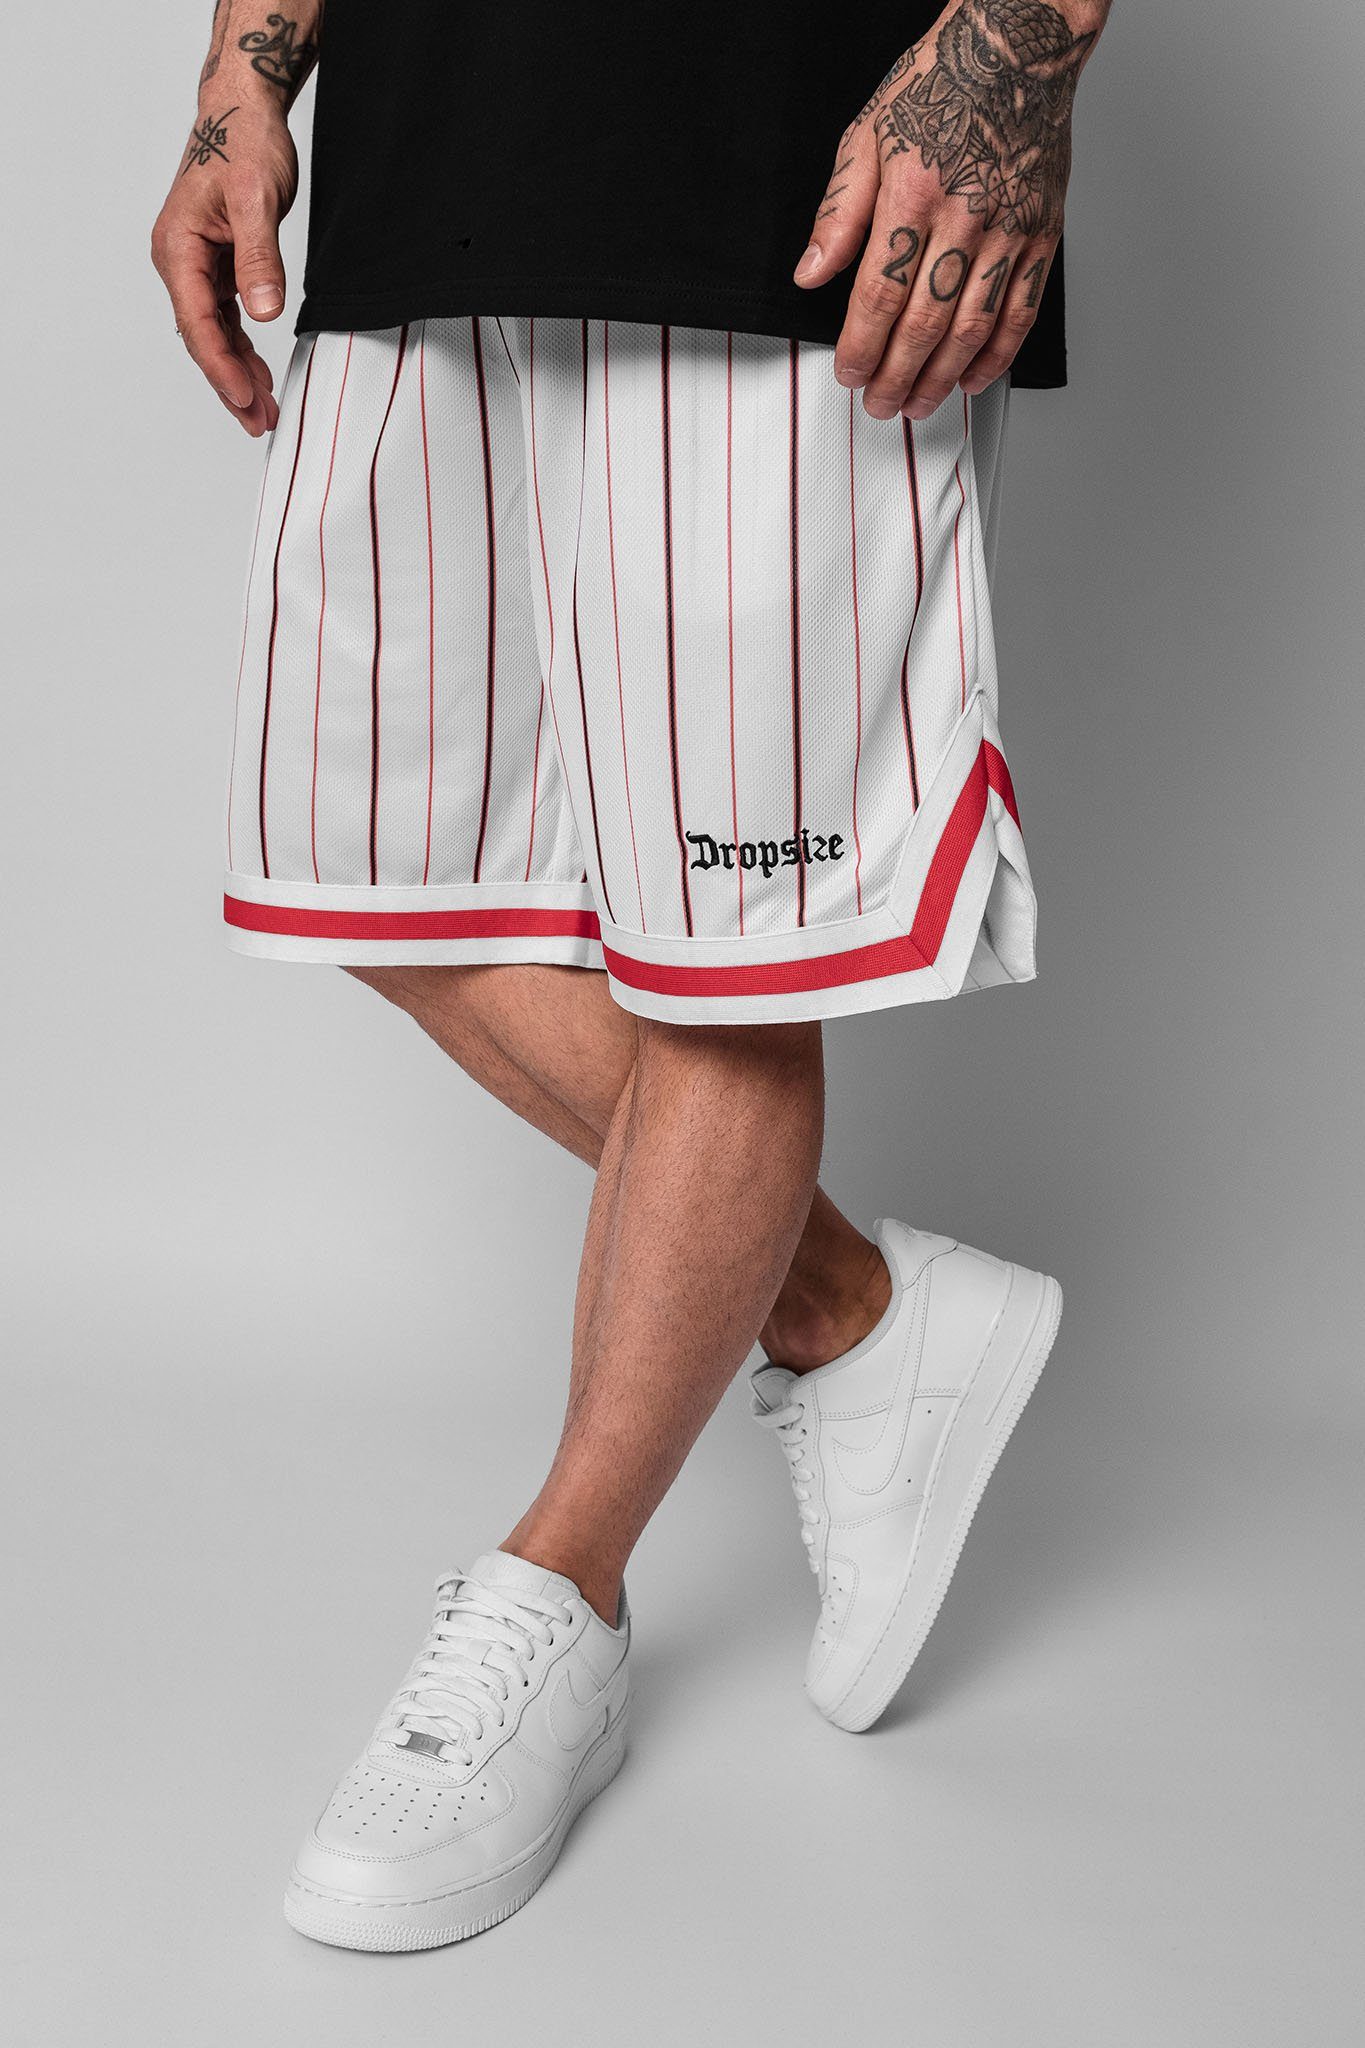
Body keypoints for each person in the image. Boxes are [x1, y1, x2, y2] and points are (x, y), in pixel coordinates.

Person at [153, 0, 1109, 1951]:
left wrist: (1015, 54)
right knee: (378, 881)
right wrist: (245, 71)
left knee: (726, 959)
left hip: (804, 169)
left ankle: (557, 1590)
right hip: (429, 164)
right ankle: (851, 1311)